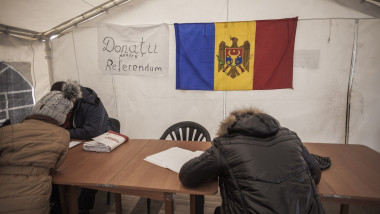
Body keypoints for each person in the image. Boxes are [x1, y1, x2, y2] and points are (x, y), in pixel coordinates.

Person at [179, 108, 325, 214]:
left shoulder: (225, 145)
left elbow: (187, 176)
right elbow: (315, 176)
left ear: (229, 127)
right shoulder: (290, 137)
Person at [0, 82, 81, 214]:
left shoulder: (8, 130)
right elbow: (55, 166)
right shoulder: (62, 136)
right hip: (34, 197)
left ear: (38, 107)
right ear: (62, 116)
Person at [50, 80, 119, 214]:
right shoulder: (54, 103)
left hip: (98, 142)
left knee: (92, 169)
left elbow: (92, 132)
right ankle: (57, 202)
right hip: (70, 143)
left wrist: (60, 133)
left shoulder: (91, 103)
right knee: (53, 165)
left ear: (73, 97)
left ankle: (83, 207)